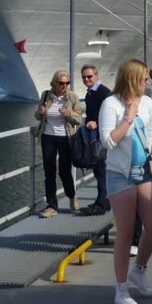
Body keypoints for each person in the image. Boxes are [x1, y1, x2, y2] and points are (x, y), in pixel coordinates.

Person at [98, 59, 152, 304]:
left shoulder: (147, 102)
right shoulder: (110, 104)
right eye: (144, 78)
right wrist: (128, 117)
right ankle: (121, 288)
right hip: (120, 174)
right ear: (132, 78)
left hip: (145, 170)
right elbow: (107, 142)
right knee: (125, 232)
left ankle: (140, 269)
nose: (147, 82)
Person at [34, 70, 82, 218]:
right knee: (49, 172)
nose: (64, 86)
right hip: (47, 137)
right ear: (54, 83)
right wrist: (40, 113)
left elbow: (79, 119)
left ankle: (72, 195)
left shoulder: (72, 97)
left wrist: (69, 115)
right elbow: (37, 116)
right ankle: (52, 206)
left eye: (67, 83)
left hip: (65, 138)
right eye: (61, 83)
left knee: (64, 171)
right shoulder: (45, 95)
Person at [80, 64, 112, 216]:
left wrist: (96, 123)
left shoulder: (103, 92)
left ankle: (101, 204)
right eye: (84, 77)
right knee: (98, 170)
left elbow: (110, 114)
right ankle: (103, 202)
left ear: (96, 76)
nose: (86, 79)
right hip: (95, 136)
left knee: (101, 170)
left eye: (89, 76)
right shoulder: (90, 93)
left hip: (102, 137)